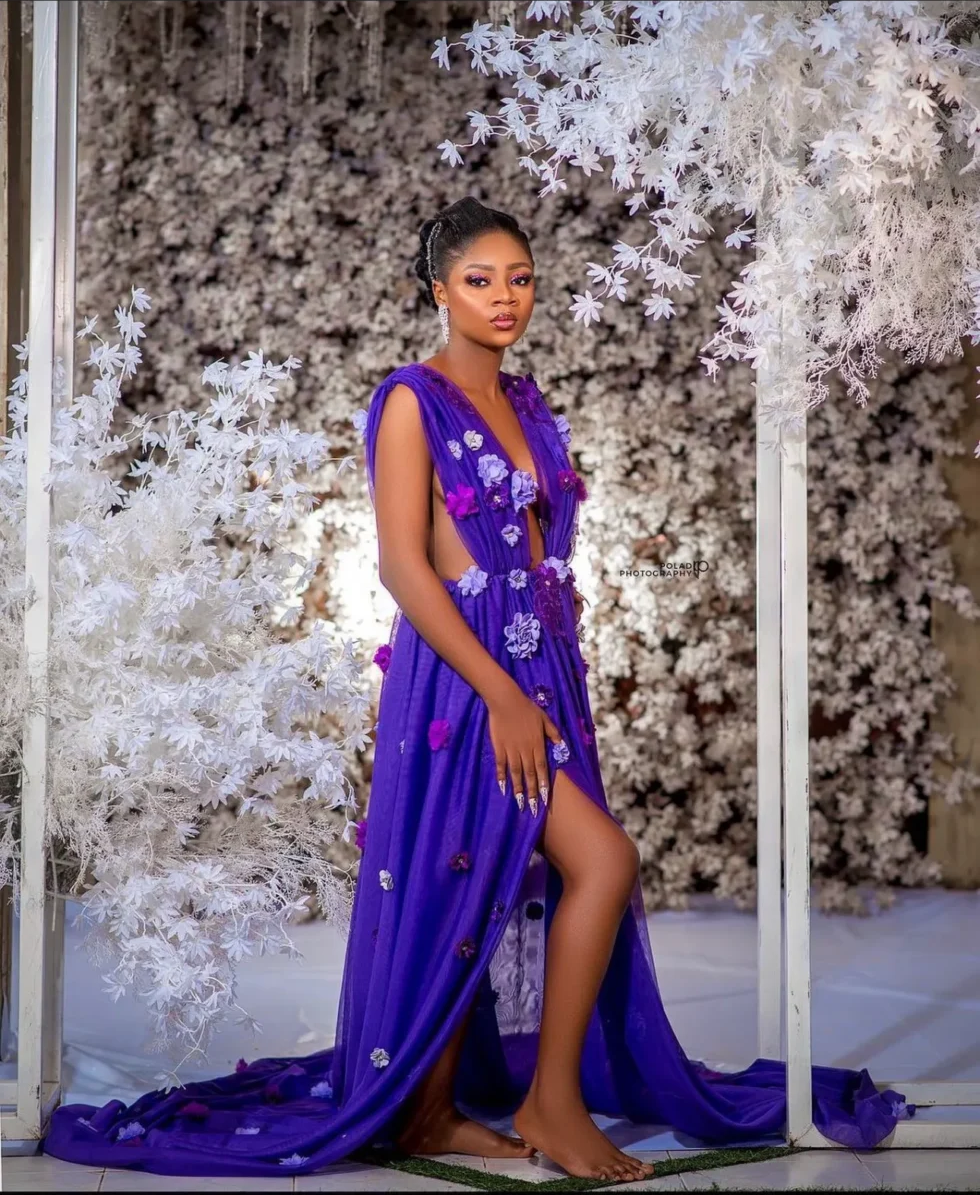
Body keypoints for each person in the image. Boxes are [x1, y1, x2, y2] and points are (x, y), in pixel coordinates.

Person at [42, 196, 912, 1182]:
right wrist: (499, 692)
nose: (504, 297)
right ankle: (544, 1101)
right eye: (479, 279)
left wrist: (549, 652)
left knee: (489, 878)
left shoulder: (527, 402)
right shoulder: (410, 401)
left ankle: (433, 1111)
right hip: (463, 680)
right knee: (595, 861)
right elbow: (403, 566)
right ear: (438, 291)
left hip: (539, 669)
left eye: (519, 278)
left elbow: (537, 549)